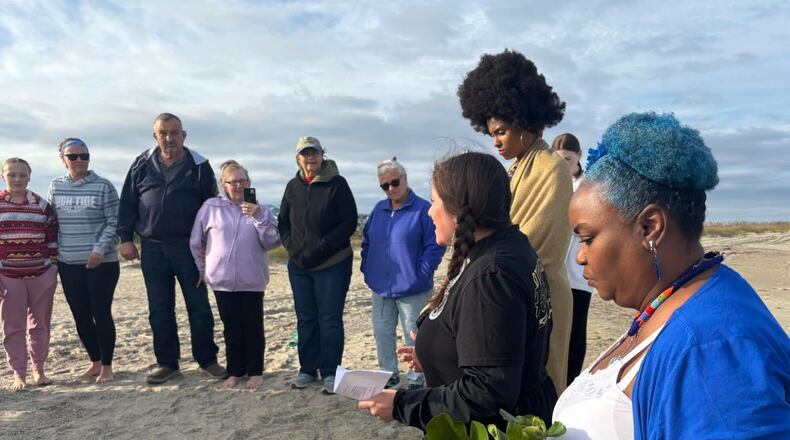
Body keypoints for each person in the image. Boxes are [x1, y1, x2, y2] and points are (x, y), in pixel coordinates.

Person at [553, 112, 790, 439]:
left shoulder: (711, 349)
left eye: (588, 238)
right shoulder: (679, 300)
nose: (580, 256)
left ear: (650, 227)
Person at [359, 152, 557, 431]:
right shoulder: (510, 246)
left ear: (458, 207)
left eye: (434, 202)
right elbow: (500, 348)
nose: (429, 211)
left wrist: (401, 404)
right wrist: (437, 358)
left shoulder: (491, 275)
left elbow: (486, 394)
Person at [457, 49, 573, 392]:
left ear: (525, 121)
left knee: (539, 387)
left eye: (502, 131)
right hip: (513, 285)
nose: (495, 141)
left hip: (540, 293)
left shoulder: (551, 167)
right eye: (491, 133)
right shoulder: (519, 166)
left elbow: (533, 237)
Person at [117, 113, 225, 384]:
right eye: (163, 133)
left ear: (183, 135)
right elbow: (128, 202)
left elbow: (212, 208)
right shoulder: (141, 163)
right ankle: (167, 363)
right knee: (159, 308)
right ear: (155, 136)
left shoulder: (200, 166)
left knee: (198, 307)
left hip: (190, 248)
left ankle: (207, 360)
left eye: (174, 132)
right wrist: (126, 238)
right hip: (152, 248)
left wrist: (210, 247)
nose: (169, 138)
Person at [190, 160, 280, 390]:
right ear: (224, 184)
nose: (238, 186)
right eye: (233, 181)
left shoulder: (262, 209)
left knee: (252, 327)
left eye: (243, 181)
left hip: (252, 279)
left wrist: (258, 216)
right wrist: (201, 269)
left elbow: (272, 241)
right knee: (231, 328)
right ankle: (235, 371)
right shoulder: (211, 207)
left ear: (249, 183)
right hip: (221, 280)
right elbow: (196, 241)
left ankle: (255, 372)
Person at [278, 136, 357, 394]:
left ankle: (331, 371)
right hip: (299, 266)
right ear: (298, 158)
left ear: (323, 155)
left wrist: (320, 247)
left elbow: (348, 223)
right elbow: (283, 224)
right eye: (305, 154)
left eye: (314, 153)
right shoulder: (292, 186)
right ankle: (307, 370)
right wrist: (293, 249)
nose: (310, 158)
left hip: (332, 263)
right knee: (306, 318)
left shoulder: (337, 184)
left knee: (329, 319)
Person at [361, 157, 445, 390]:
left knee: (414, 335)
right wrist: (367, 269)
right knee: (382, 334)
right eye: (384, 185)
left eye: (394, 182)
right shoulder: (379, 209)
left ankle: (418, 380)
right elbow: (366, 241)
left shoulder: (422, 209)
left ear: (405, 179)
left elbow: (435, 244)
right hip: (380, 288)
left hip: (413, 288)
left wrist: (423, 273)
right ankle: (388, 375)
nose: (390, 189)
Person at [47, 138, 120, 383]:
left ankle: (108, 365)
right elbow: (51, 221)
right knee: (80, 314)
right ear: (63, 159)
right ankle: (95, 361)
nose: (79, 161)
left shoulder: (103, 186)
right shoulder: (55, 186)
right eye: (73, 156)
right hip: (68, 263)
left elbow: (114, 221)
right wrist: (53, 251)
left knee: (101, 312)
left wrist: (100, 249)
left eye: (84, 156)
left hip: (102, 263)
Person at [0, 157, 59, 391]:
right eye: (12, 174)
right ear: (4, 176)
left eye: (22, 174)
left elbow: (52, 236)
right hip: (8, 277)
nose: (17, 179)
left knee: (40, 325)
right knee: (13, 327)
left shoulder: (42, 205)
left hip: (41, 274)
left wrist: (52, 267)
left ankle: (39, 370)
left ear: (29, 176)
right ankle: (18, 374)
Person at [552, 133, 592, 386]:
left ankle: (571, 378)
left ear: (578, 157)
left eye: (568, 159)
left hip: (577, 270)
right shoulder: (551, 184)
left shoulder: (587, 185)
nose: (564, 164)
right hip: (555, 268)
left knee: (576, 327)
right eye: (558, 160)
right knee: (555, 328)